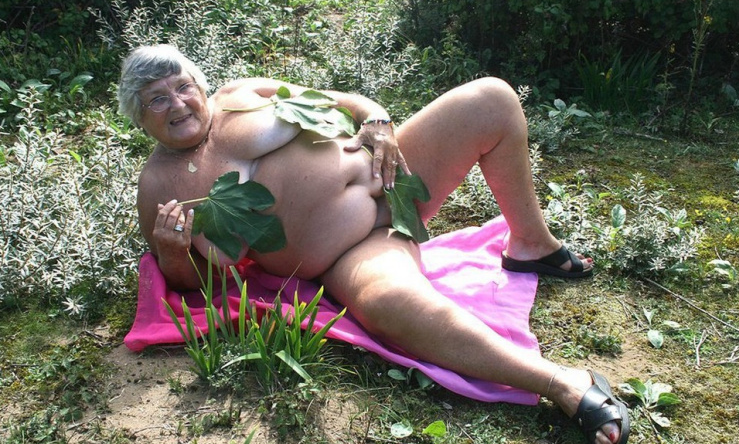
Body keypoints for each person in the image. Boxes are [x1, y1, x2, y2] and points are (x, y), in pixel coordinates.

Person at [119, 44, 629, 444]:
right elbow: (196, 284)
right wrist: (173, 252)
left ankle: (531, 243)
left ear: (201, 85)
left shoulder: (240, 94)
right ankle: (561, 383)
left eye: (183, 87)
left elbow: (343, 100)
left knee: (490, 99)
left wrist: (379, 122)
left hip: (395, 177)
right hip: (353, 249)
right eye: (157, 99)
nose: (178, 103)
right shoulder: (159, 185)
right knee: (393, 302)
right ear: (139, 118)